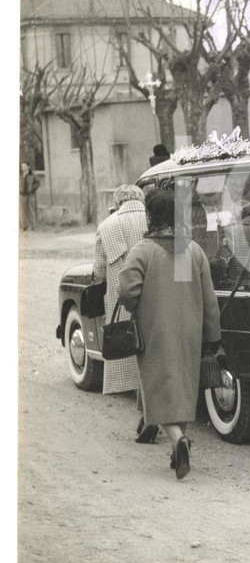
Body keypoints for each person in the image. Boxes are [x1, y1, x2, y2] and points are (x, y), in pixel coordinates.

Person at [118, 189, 222, 479]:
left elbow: (127, 291)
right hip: (190, 333)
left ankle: (179, 441)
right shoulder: (194, 250)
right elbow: (210, 300)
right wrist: (212, 337)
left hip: (155, 331)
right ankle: (178, 449)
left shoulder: (143, 250)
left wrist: (136, 305)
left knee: (157, 390)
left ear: (151, 216)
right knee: (182, 390)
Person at [93, 185, 150, 435]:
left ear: (117, 202)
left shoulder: (106, 226)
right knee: (152, 356)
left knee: (133, 355)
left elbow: (98, 272)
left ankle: (147, 414)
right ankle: (150, 414)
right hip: (153, 297)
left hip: (122, 302)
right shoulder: (152, 219)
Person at [20, 162, 41, 231]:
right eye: (22, 167)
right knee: (23, 211)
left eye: (24, 166)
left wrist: (32, 189)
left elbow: (38, 183)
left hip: (30, 195)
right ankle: (24, 226)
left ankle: (33, 226)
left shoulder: (32, 174)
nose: (23, 168)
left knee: (32, 211)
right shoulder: (20, 174)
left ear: (28, 167)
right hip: (22, 195)